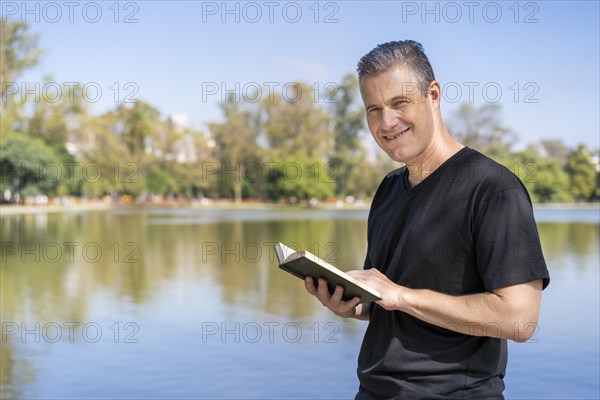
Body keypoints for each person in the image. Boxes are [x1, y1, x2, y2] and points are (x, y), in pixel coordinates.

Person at [304, 40, 550, 399]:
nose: (386, 122)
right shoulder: (389, 189)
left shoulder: (493, 189)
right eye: (374, 109)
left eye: (399, 103)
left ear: (433, 95)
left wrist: (401, 296)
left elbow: (520, 319)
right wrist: (354, 304)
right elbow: (387, 304)